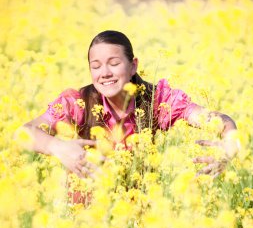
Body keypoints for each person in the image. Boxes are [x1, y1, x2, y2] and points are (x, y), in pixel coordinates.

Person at [23, 30, 238, 200]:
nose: (105, 73)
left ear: (133, 65)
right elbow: (24, 133)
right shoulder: (78, 102)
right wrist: (57, 147)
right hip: (85, 220)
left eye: (114, 63)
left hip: (137, 222)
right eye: (95, 66)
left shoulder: (157, 100)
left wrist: (230, 142)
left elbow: (219, 120)